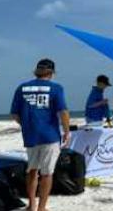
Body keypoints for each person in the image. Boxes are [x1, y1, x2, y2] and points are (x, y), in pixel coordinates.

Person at [11, 58, 70, 211]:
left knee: (32, 170)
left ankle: (31, 205)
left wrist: (27, 125)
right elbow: (63, 112)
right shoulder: (56, 88)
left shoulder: (22, 87)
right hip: (49, 135)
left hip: (31, 136)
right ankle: (41, 208)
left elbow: (15, 114)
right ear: (51, 73)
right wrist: (67, 131)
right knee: (47, 173)